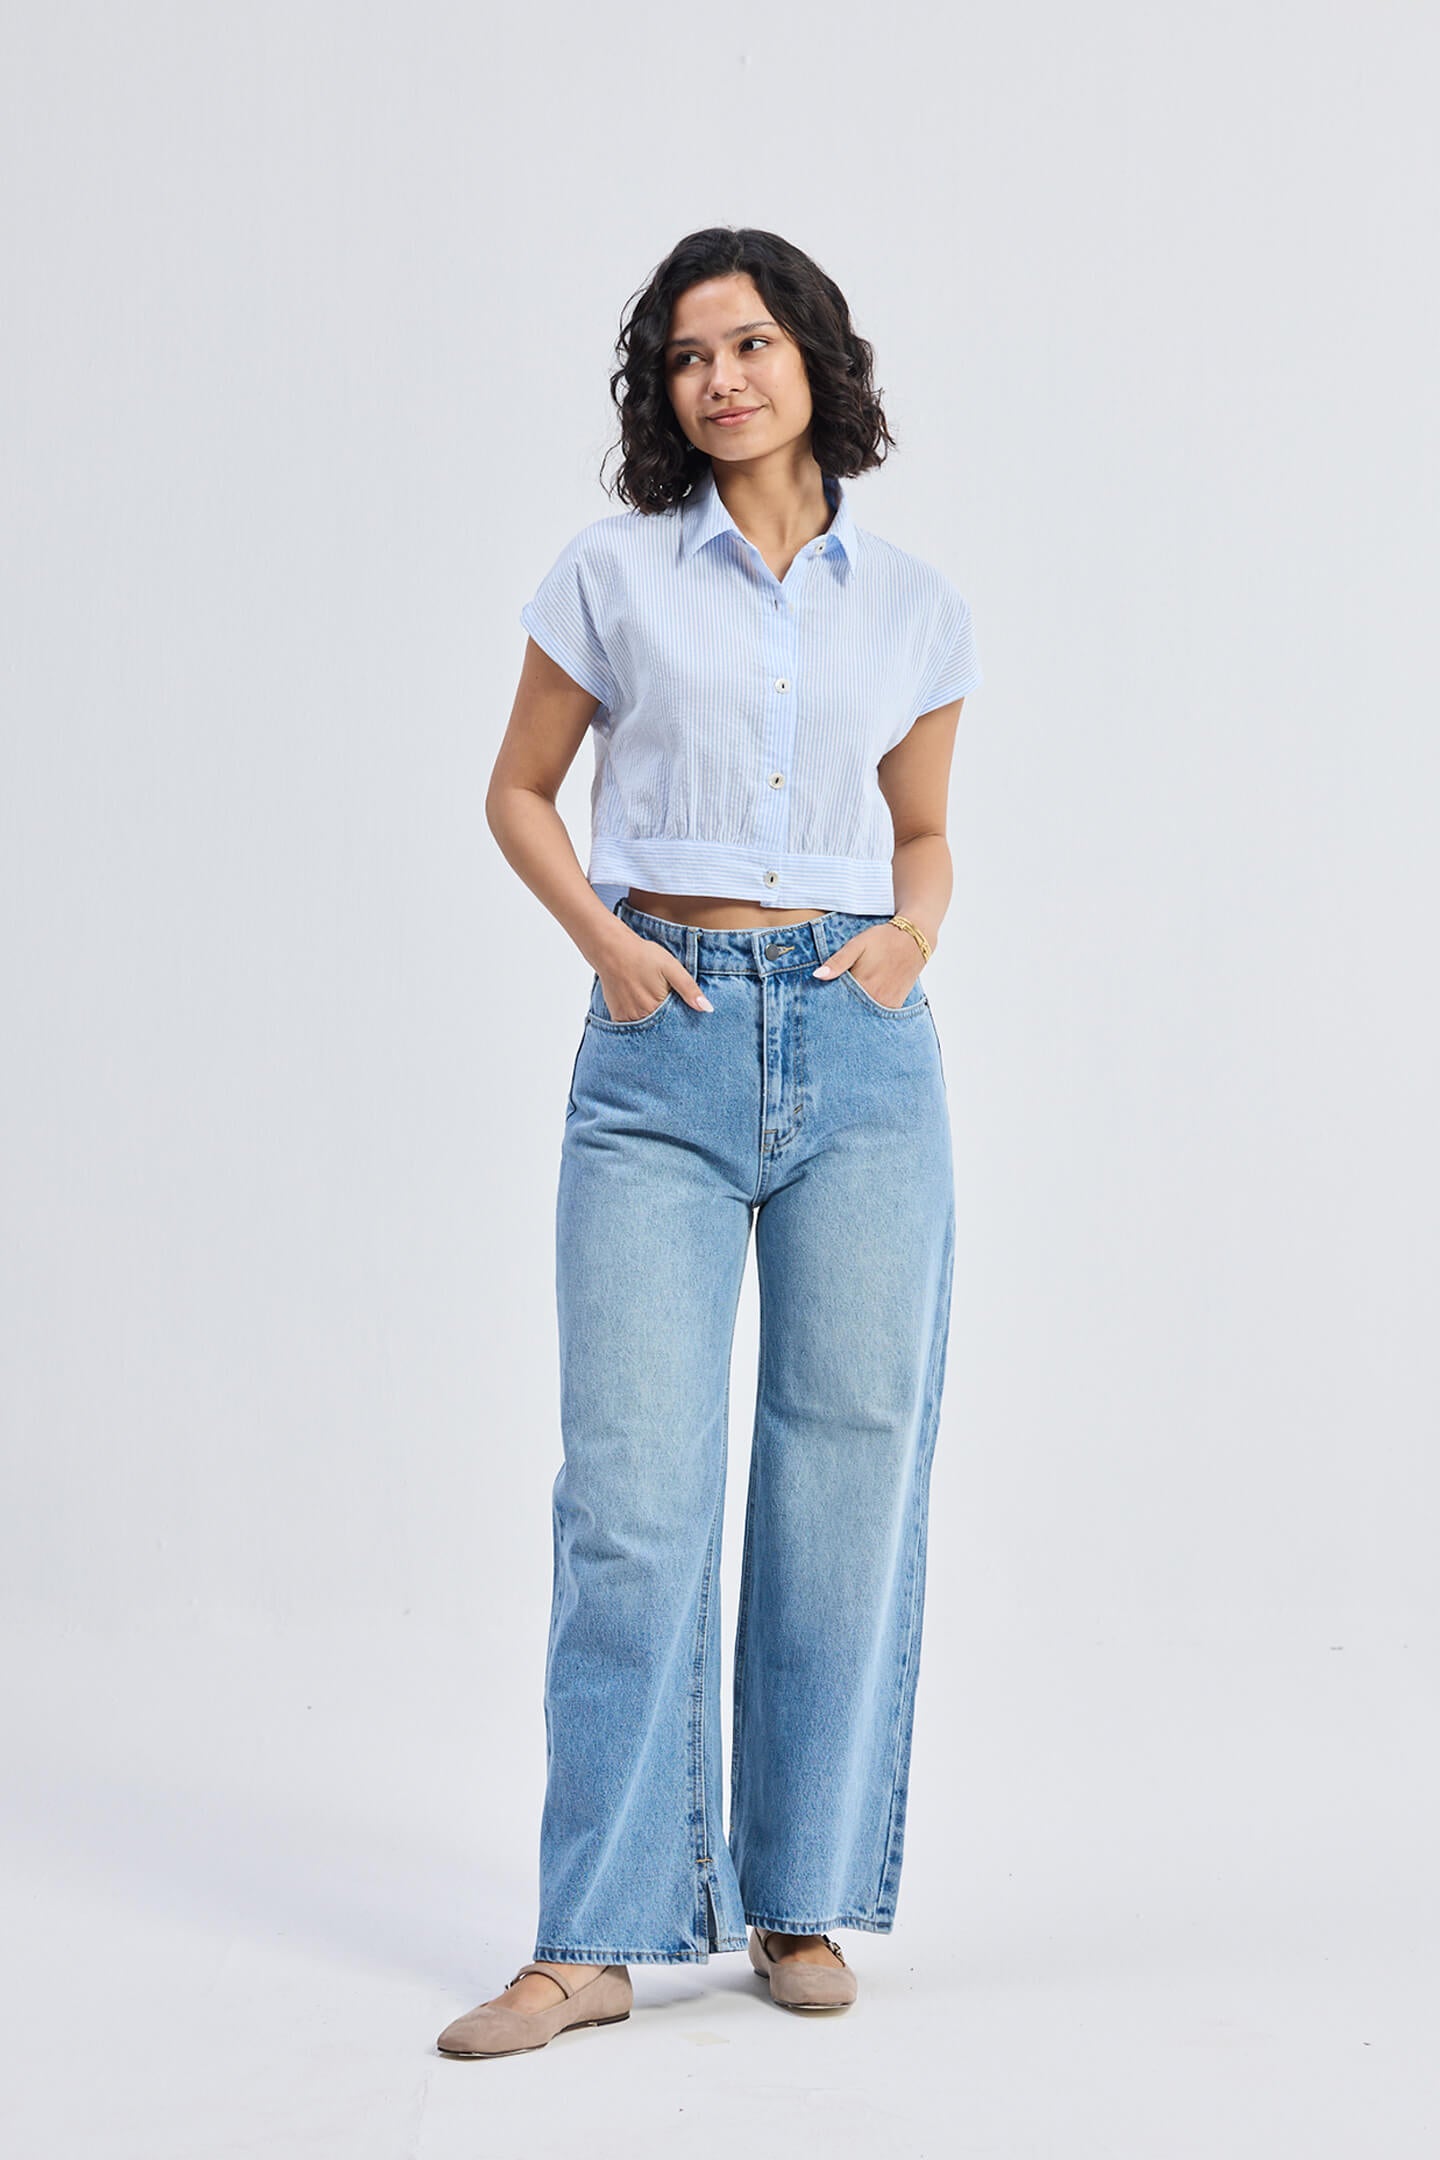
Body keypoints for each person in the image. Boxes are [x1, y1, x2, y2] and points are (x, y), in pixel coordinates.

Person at [436, 226, 983, 2059]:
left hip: (860, 1047)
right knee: (633, 1501)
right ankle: (589, 1934)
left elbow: (923, 835)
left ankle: (795, 1895)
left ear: (815, 357)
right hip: (656, 1044)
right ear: (661, 392)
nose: (722, 377)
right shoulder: (610, 575)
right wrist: (611, 945)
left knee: (846, 1469)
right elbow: (518, 792)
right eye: (687, 358)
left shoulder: (913, 606)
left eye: (751, 343)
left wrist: (908, 946)